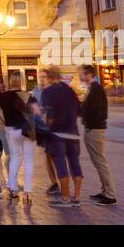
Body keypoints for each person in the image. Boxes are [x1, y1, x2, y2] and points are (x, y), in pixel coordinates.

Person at [40, 66, 83, 207]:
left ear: (49, 77)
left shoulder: (48, 91)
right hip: (73, 133)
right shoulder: (70, 90)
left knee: (61, 165)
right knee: (75, 163)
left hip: (57, 133)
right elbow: (80, 111)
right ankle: (76, 197)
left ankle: (65, 198)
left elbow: (47, 113)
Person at [79, 64, 117, 206]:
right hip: (92, 128)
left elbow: (93, 110)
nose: (80, 76)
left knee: (100, 162)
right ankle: (105, 191)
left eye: (82, 74)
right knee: (98, 162)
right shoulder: (92, 88)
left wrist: (80, 107)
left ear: (88, 74)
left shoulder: (96, 89)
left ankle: (110, 195)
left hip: (95, 129)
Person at [0, 82, 36, 205]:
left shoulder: (3, 96)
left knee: (15, 157)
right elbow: (37, 112)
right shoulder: (28, 95)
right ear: (21, 84)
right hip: (28, 130)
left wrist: (4, 121)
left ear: (10, 83)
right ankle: (28, 192)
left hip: (12, 130)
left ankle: (12, 189)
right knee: (28, 160)